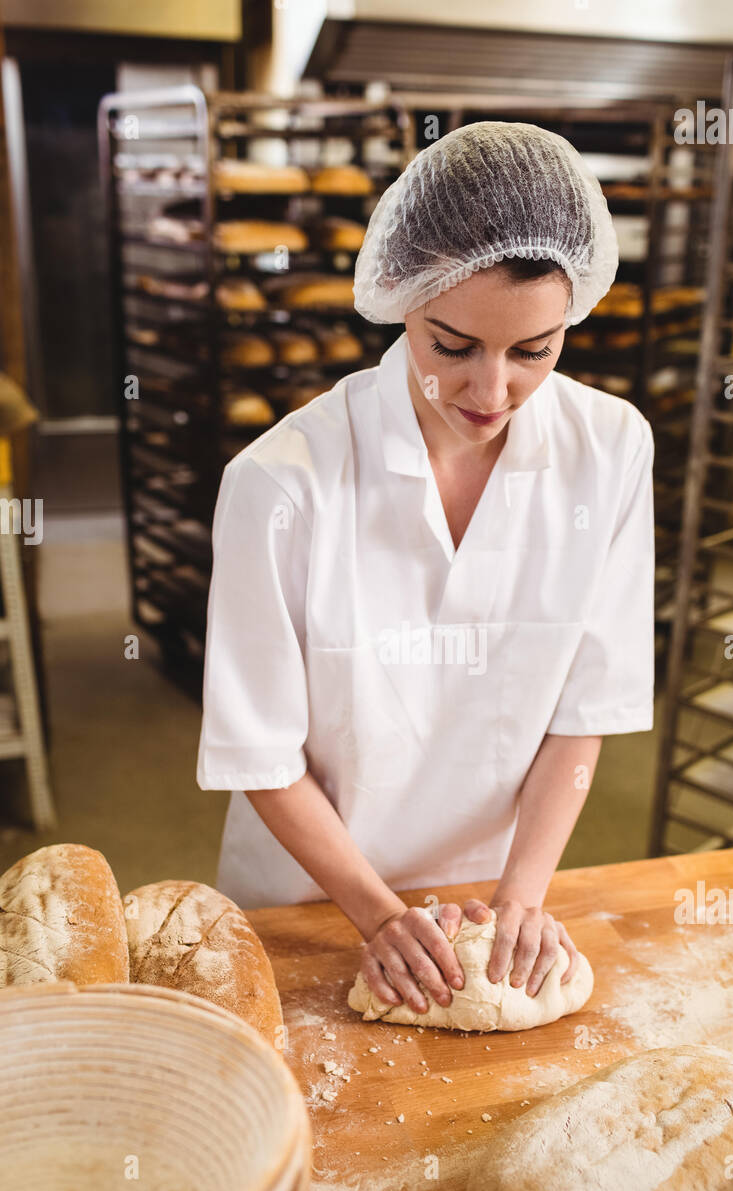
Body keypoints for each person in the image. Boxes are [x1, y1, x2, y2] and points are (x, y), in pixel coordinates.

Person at [196, 121, 655, 1016]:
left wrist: (522, 898)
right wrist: (378, 914)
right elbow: (261, 751)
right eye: (452, 347)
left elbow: (582, 709)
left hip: (490, 884)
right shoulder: (280, 483)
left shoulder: (609, 450)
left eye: (535, 351)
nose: (491, 394)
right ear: (402, 298)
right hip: (310, 894)